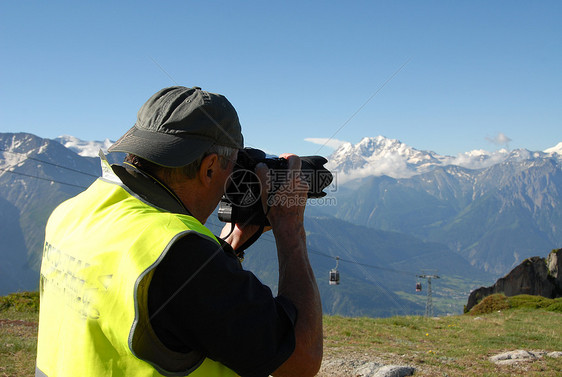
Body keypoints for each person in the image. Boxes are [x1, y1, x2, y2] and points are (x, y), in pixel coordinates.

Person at [35, 86, 323, 377]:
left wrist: (229, 243)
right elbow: (302, 359)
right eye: (233, 167)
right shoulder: (181, 254)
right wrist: (290, 228)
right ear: (210, 168)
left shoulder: (73, 212)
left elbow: (165, 305)